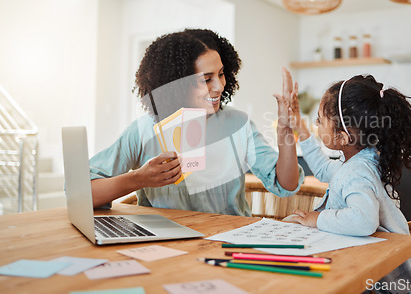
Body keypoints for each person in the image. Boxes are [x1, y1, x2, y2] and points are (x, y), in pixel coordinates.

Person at [90, 29, 304, 215]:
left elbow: (286, 185)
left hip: (229, 241)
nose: (219, 86)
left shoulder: (238, 124)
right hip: (169, 247)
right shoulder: (144, 130)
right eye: (206, 79)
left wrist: (285, 130)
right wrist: (138, 179)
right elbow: (83, 192)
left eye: (221, 74)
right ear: (176, 84)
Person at [284, 69, 411, 293]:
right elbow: (323, 169)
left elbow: (363, 221)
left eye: (319, 121)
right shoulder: (361, 161)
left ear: (343, 137)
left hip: (390, 286)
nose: (317, 126)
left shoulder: (356, 172)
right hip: (384, 272)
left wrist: (317, 218)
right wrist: (300, 128)